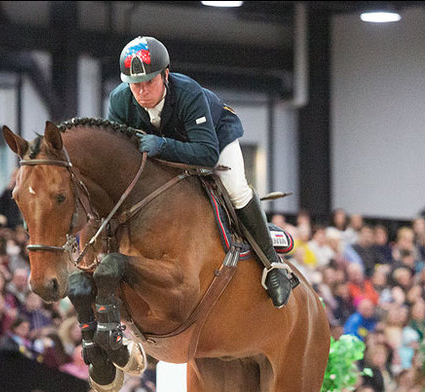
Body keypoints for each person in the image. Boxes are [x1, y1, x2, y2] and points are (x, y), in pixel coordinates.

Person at [108, 35, 292, 308]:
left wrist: (162, 145)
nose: (142, 91)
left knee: (236, 189)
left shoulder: (188, 92)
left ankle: (273, 266)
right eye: (135, 85)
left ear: (165, 75)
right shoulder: (120, 101)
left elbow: (206, 155)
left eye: (149, 82)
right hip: (168, 146)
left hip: (215, 138)